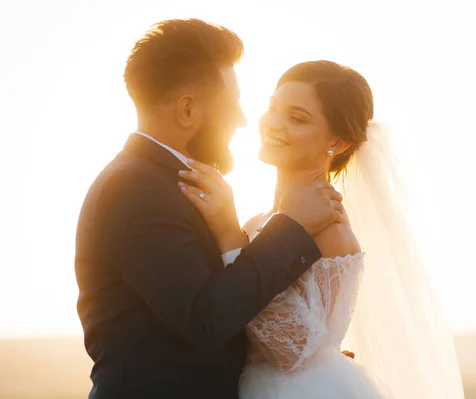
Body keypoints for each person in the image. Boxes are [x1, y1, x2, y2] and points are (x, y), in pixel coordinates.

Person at [74, 19, 344, 399]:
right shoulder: (135, 189)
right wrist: (291, 226)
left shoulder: (165, 181)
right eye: (232, 103)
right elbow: (205, 318)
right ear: (187, 110)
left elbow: (212, 307)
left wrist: (314, 368)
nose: (242, 119)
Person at [180, 61, 466, 398]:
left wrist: (229, 238)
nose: (273, 124)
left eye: (297, 119)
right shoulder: (260, 222)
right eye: (273, 108)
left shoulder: (327, 225)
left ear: (340, 143)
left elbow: (293, 350)